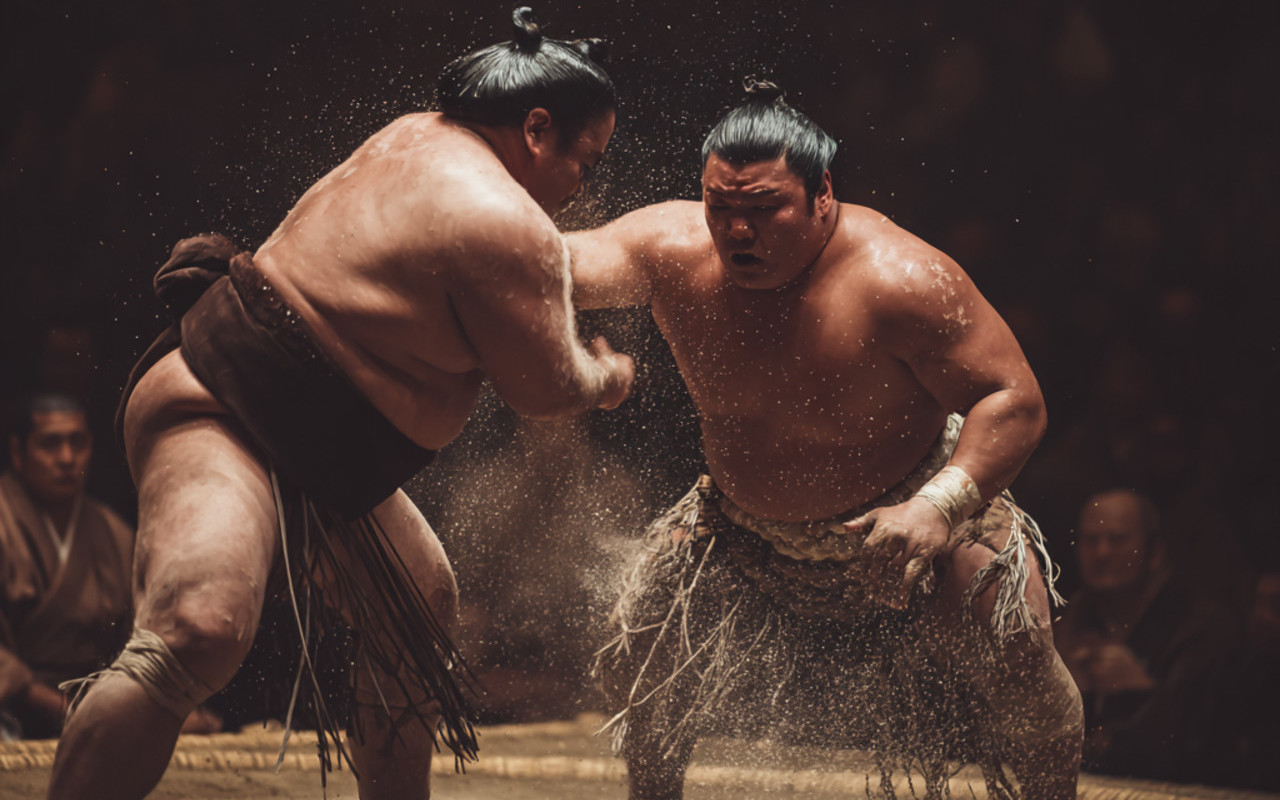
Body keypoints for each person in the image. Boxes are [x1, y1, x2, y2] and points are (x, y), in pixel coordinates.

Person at [46, 8, 633, 800]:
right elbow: (545, 389)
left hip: (325, 456)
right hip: (226, 407)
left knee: (417, 611)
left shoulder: (414, 134)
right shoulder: (502, 218)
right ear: (535, 128)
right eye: (584, 163)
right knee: (200, 628)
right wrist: (605, 375)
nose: (580, 186)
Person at [571, 81, 1081, 799]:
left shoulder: (899, 278)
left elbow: (1014, 400)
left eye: (764, 209)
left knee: (1016, 647)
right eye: (722, 209)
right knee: (645, 654)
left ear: (823, 196)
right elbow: (552, 271)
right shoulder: (668, 248)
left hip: (911, 507)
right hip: (739, 523)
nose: (738, 232)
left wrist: (939, 509)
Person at [1053, 488, 1236, 782]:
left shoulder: (1201, 625)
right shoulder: (1068, 620)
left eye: (1117, 540)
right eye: (1090, 541)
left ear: (1155, 552)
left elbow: (1209, 745)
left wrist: (1141, 691)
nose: (1102, 552)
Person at [0, 394, 137, 739]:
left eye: (78, 443)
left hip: (96, 709)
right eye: (50, 444)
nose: (66, 458)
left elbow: (134, 641)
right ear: (18, 453)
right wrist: (58, 705)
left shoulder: (114, 532)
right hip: (12, 710)